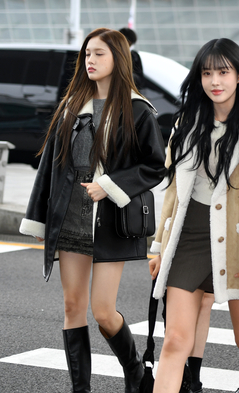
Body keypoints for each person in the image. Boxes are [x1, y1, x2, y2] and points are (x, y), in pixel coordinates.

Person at [19, 27, 167, 393]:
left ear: (118, 58)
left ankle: (135, 370)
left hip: (109, 221)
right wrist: (38, 218)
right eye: (87, 54)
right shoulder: (72, 106)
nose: (90, 60)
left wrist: (111, 184)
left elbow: (155, 166)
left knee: (103, 311)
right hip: (70, 218)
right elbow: (50, 169)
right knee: (72, 306)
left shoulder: (137, 109)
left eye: (99, 53)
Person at [148, 38, 239, 393]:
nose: (215, 81)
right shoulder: (187, 122)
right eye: (207, 73)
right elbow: (173, 191)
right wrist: (160, 245)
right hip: (189, 239)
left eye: (223, 72)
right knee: (174, 340)